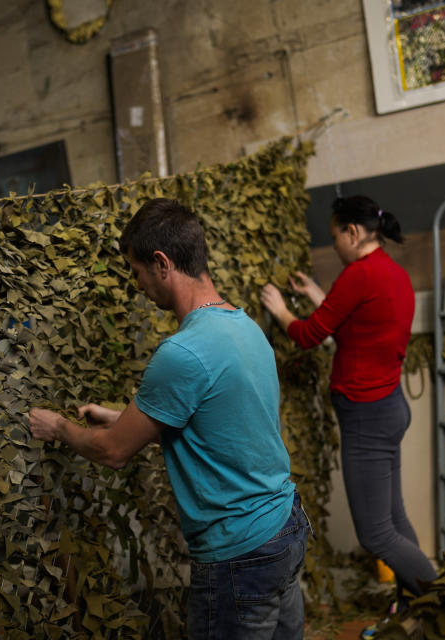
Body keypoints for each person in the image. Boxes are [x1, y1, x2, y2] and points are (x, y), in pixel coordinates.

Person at [28, 198, 310, 640]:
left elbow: (114, 451)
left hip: (239, 552)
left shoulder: (182, 353)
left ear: (161, 263)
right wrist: (119, 416)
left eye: (137, 272)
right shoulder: (245, 327)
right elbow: (224, 427)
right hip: (285, 527)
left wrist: (58, 428)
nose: (137, 285)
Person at [260, 195, 436, 637]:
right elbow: (360, 327)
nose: (334, 243)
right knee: (393, 519)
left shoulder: (357, 276)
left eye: (335, 235)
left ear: (352, 233)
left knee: (376, 535)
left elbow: (308, 335)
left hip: (366, 419)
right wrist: (320, 296)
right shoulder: (392, 274)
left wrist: (280, 308)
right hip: (391, 408)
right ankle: (417, 608)